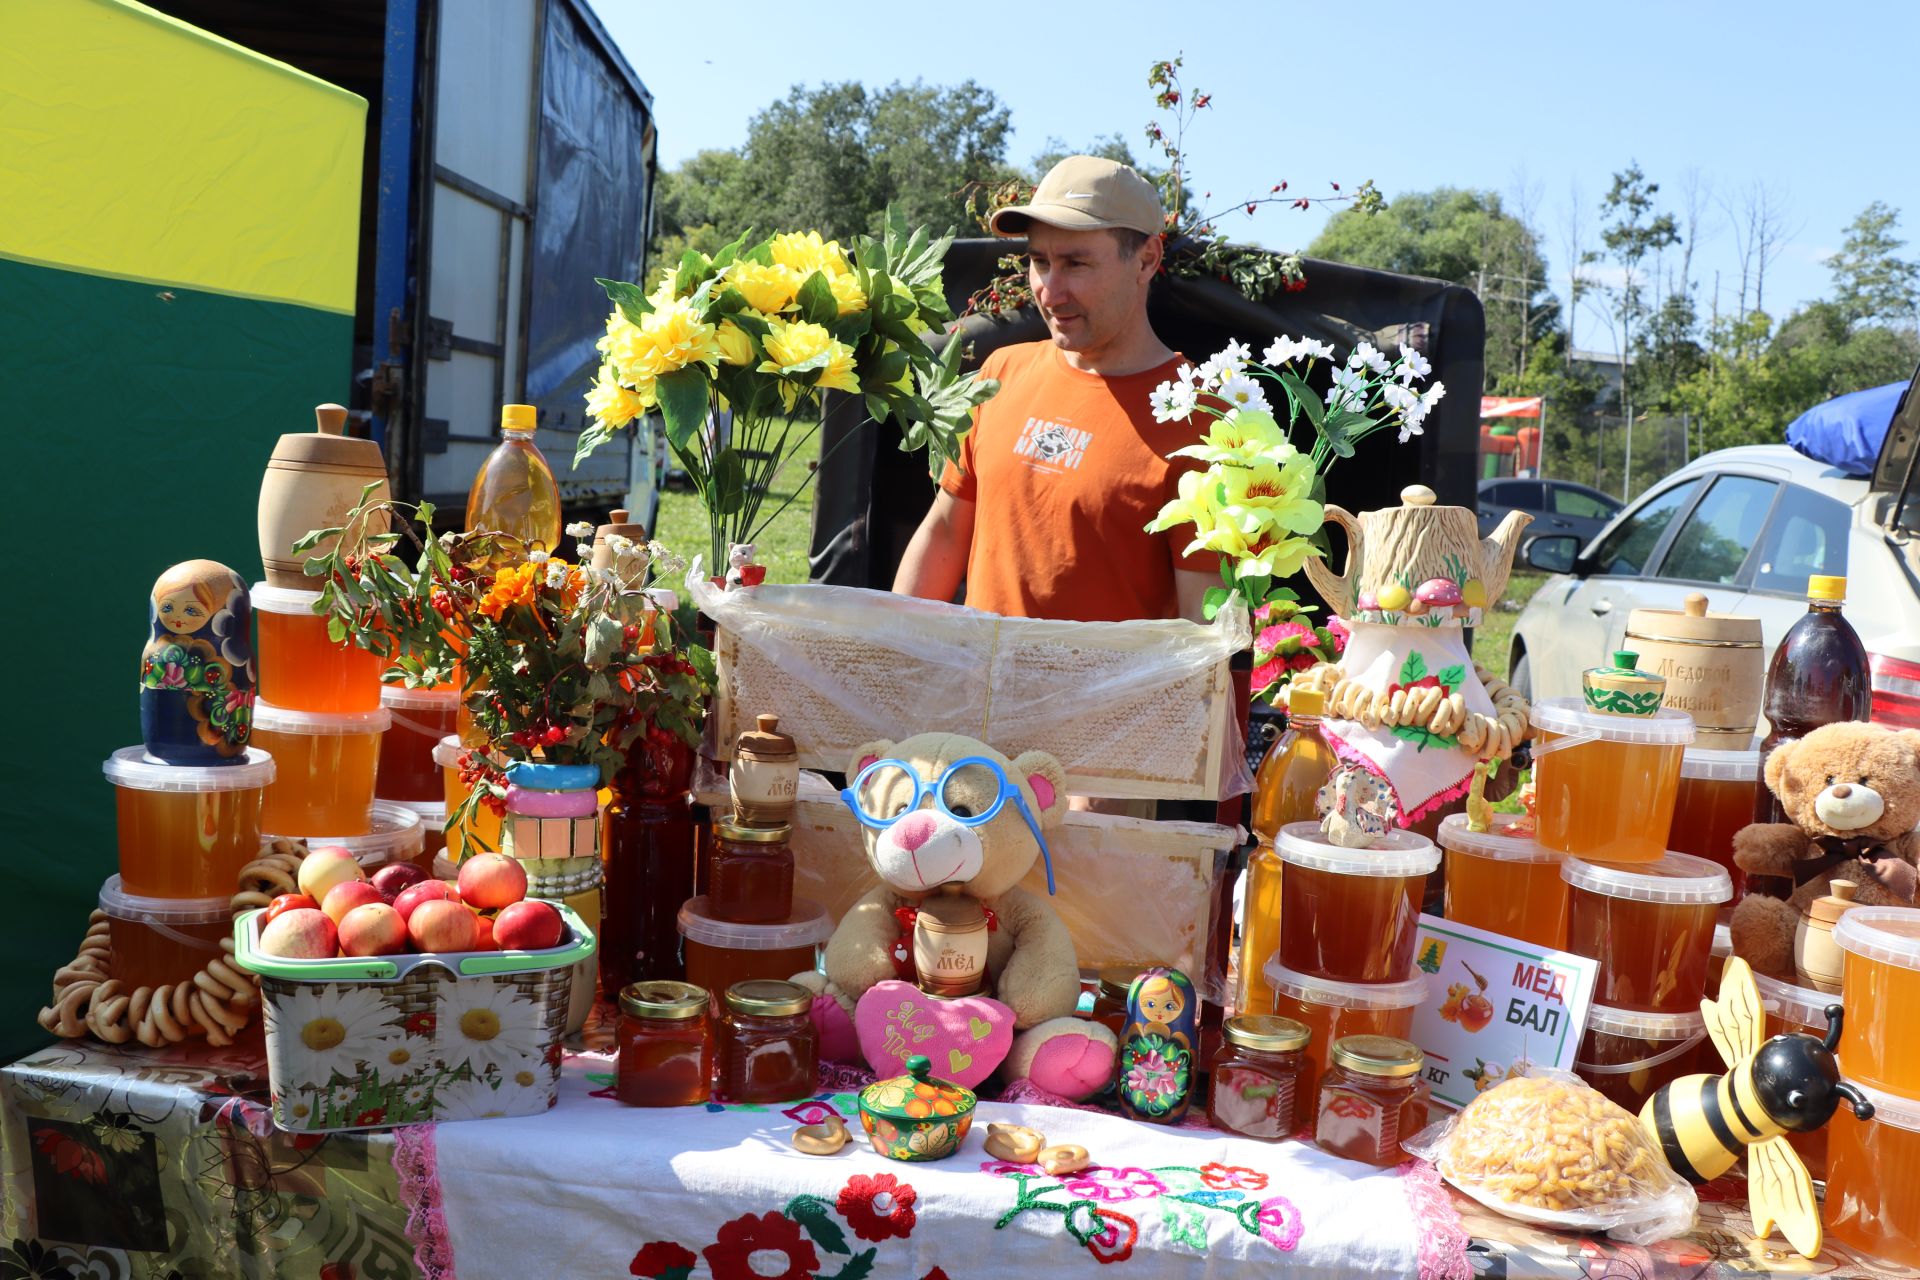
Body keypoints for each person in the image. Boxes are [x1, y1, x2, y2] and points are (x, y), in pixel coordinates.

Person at [892, 155, 1218, 623]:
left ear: (1146, 260)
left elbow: (1202, 630)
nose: (1049, 290)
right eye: (1039, 261)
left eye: (1076, 263)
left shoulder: (1201, 418)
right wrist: (892, 648)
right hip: (976, 693)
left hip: (1110, 698)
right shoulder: (1001, 372)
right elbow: (945, 532)